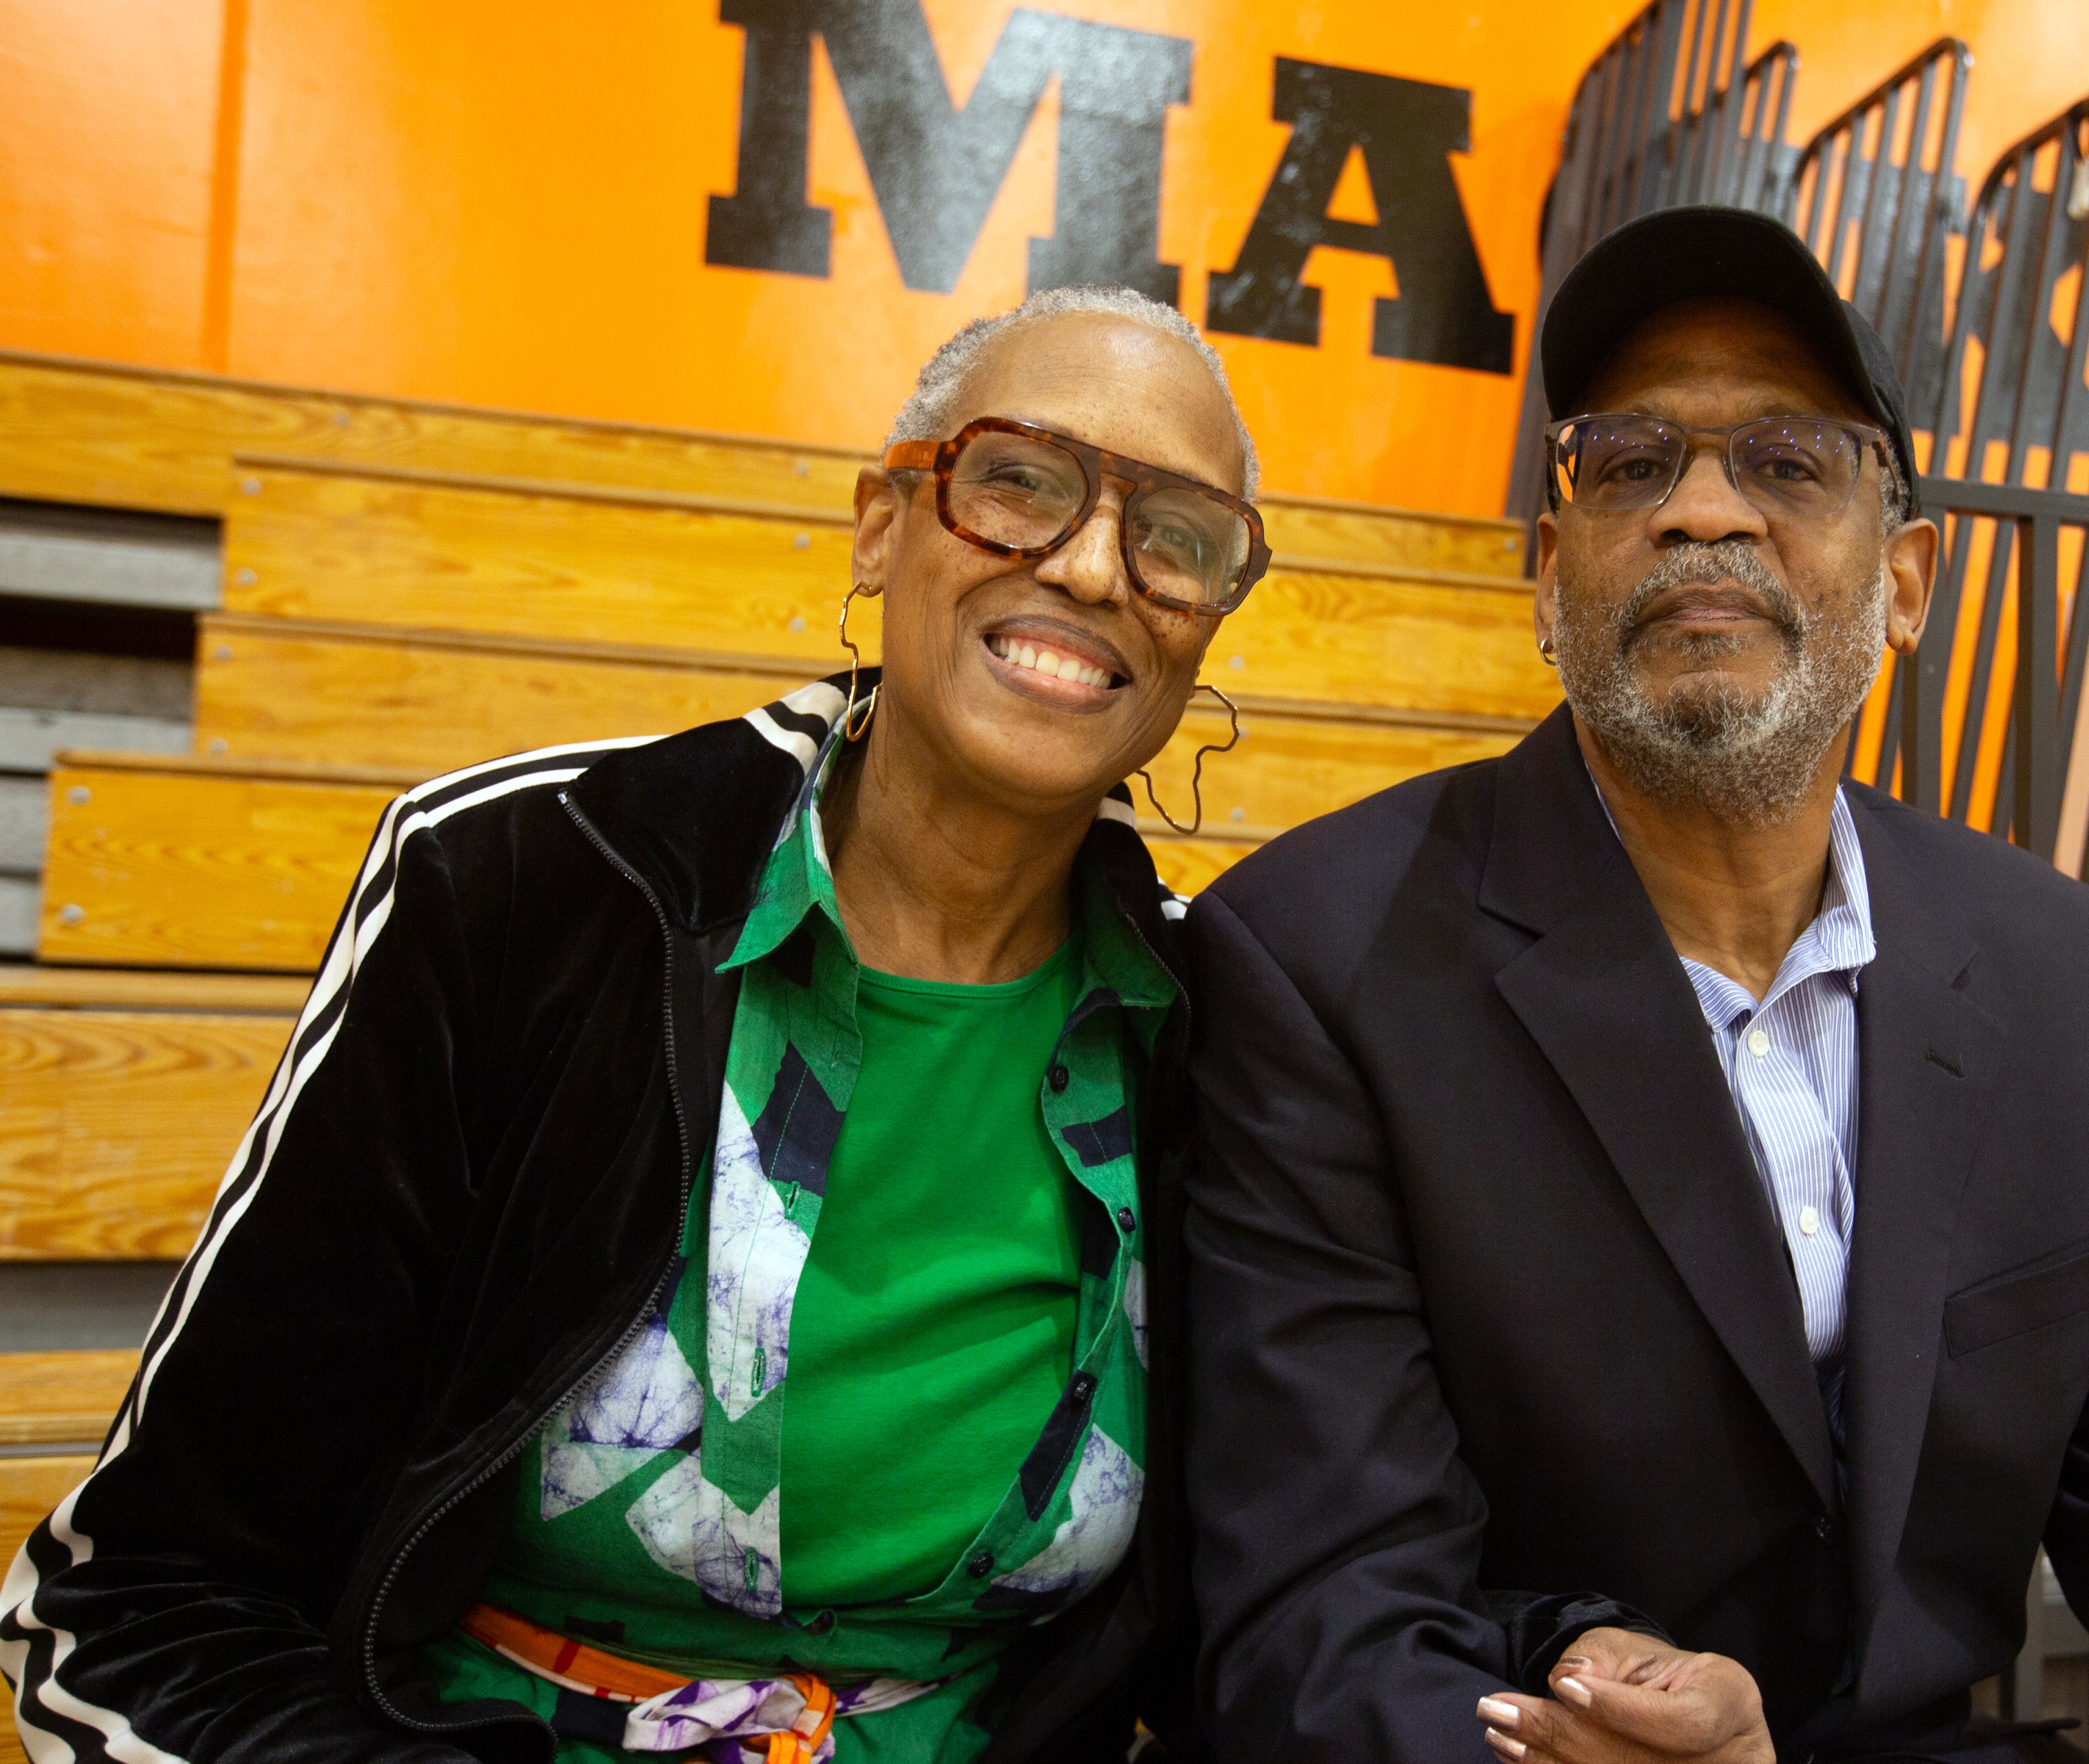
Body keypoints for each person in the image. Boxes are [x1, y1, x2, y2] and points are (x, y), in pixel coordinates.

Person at [1180, 205, 2089, 1764]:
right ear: (1550, 573)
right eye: (1631, 463)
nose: (1706, 507)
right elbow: (1328, 1616)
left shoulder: (2065, 976)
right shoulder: (1318, 962)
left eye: (1786, 459)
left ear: (1905, 583)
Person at [3, 285, 1270, 1764]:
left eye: (1179, 537)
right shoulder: (529, 883)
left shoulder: (1212, 1022)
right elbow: (151, 1599)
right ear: (881, 524)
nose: (1098, 563)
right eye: (1018, 483)